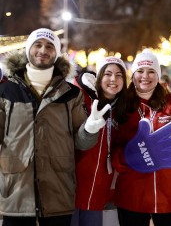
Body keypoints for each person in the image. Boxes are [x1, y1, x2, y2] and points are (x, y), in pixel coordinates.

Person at [0, 28, 103, 226]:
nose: (43, 50)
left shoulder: (71, 93)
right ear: (28, 49)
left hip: (57, 190)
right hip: (16, 192)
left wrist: (90, 128)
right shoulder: (6, 91)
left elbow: (81, 143)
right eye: (37, 45)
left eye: (49, 46)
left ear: (56, 53)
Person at [112, 49, 171, 226]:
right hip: (133, 194)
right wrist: (127, 157)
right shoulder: (121, 105)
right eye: (140, 71)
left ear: (158, 74)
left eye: (151, 71)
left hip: (170, 195)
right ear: (133, 74)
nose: (145, 76)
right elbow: (110, 147)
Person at [71, 56, 129, 226]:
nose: (113, 79)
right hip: (72, 187)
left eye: (119, 75)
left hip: (98, 190)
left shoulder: (121, 108)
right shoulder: (80, 97)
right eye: (108, 74)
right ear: (99, 77)